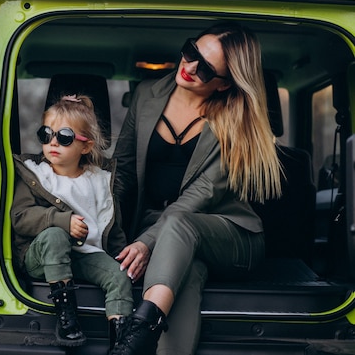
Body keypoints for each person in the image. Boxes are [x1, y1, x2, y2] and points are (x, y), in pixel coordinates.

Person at [110, 22, 283, 355]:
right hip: (169, 236)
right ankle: (136, 343)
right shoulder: (148, 94)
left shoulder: (237, 119)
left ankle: (139, 329)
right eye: (191, 52)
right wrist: (107, 231)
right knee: (185, 274)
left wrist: (146, 242)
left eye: (204, 69)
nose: (188, 67)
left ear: (223, 85)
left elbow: (200, 195)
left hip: (232, 236)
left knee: (179, 225)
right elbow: (123, 172)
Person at [11, 94, 134, 349]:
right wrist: (61, 221)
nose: (53, 142)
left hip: (86, 255)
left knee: (119, 275)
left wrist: (122, 257)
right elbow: (20, 218)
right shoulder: (35, 174)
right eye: (47, 134)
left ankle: (121, 343)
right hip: (42, 257)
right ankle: (67, 319)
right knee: (56, 235)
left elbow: (112, 225)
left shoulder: (99, 181)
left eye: (64, 137)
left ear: (85, 146)